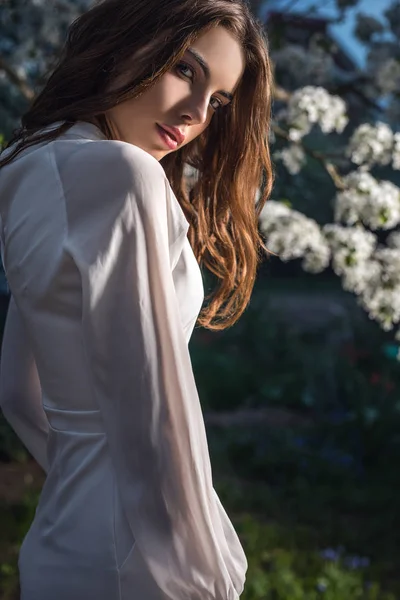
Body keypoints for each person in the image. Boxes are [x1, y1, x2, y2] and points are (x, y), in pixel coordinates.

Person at [0, 0, 273, 598]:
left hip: (63, 541)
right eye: (186, 70)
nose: (197, 112)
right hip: (142, 560)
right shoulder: (125, 175)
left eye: (219, 101)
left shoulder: (28, 165)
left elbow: (18, 392)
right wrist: (208, 575)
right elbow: (153, 410)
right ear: (125, 40)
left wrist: (83, 471)